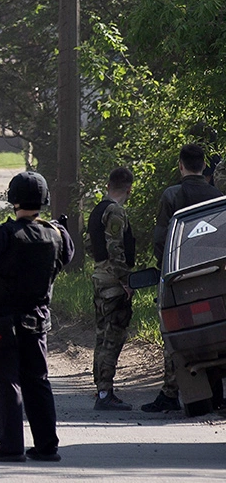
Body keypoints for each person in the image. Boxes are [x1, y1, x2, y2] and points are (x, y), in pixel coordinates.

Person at [0, 171, 74, 462]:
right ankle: (47, 445)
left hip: (1, 322)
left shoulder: (2, 235)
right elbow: (64, 260)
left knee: (6, 381)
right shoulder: (58, 234)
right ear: (44, 199)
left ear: (12, 199)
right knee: (37, 380)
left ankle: (11, 446)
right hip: (37, 319)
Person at [141, 143, 224, 412]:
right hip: (217, 276)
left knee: (175, 337)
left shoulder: (172, 195)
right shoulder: (216, 195)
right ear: (203, 166)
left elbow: (161, 238)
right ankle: (217, 393)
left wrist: (164, 270)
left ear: (180, 165)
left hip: (180, 277)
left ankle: (170, 393)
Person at [87, 166, 136, 410]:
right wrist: (125, 281)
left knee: (101, 335)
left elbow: (89, 244)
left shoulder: (97, 210)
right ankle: (105, 393)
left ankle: (101, 390)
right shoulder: (116, 211)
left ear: (108, 185)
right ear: (129, 189)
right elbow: (116, 248)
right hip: (113, 283)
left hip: (99, 276)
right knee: (112, 337)